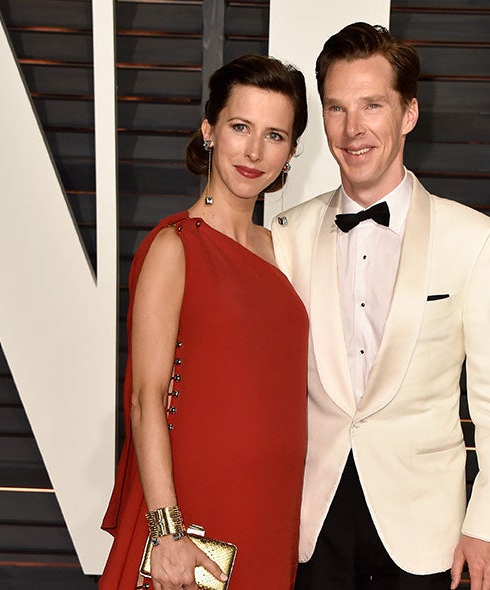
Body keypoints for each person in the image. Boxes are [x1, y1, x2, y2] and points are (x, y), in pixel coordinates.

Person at [271, 23, 490, 590]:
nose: (353, 128)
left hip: (425, 532)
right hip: (309, 526)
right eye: (337, 108)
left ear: (409, 113)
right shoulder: (285, 234)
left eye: (373, 105)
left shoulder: (476, 239)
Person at [100, 54, 309, 590]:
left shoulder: (285, 251)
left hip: (269, 509)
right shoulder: (177, 246)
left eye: (275, 135)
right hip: (190, 512)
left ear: (290, 153)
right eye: (240, 127)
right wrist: (166, 533)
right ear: (209, 130)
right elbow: (147, 396)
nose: (254, 151)